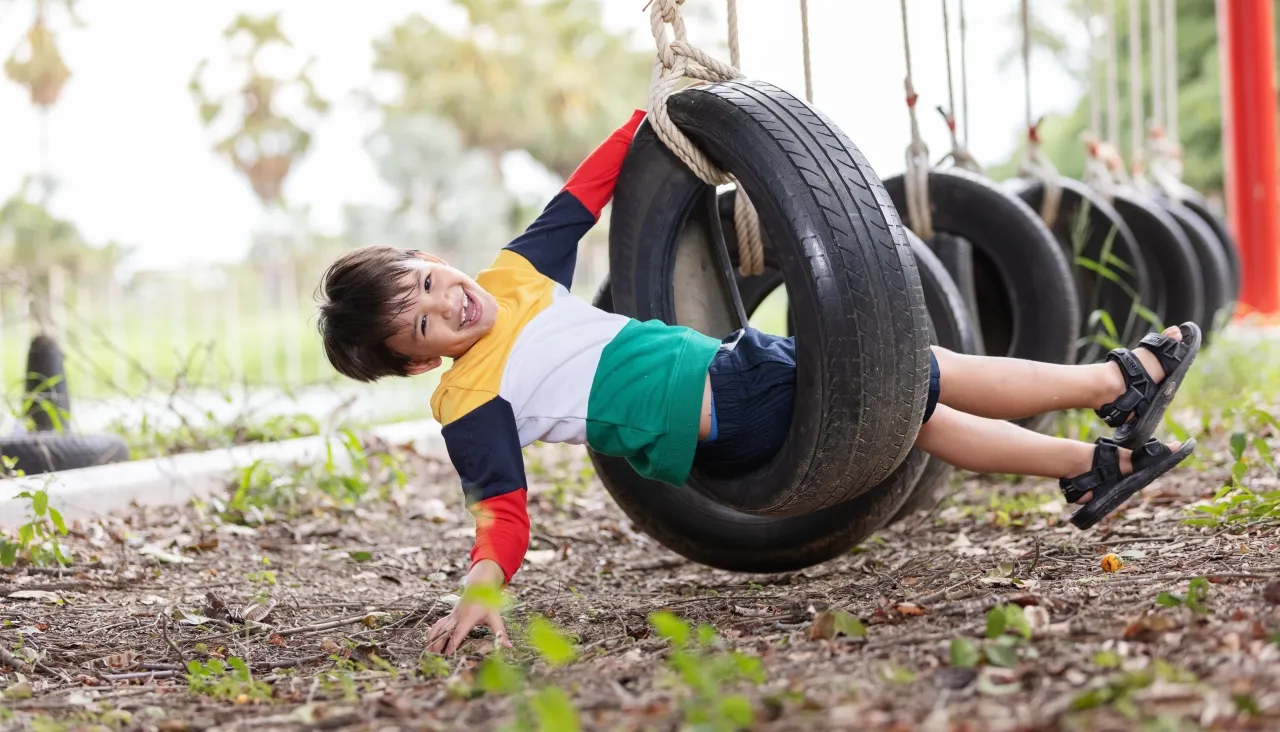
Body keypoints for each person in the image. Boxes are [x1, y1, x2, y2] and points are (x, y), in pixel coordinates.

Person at [315, 110, 1200, 656]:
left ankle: (1092, 458)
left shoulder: (512, 276)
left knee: (924, 394)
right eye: (423, 324)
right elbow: (501, 510)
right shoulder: (467, 400)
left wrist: (657, 115)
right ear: (421, 361)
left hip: (736, 368)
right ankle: (1106, 391)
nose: (447, 305)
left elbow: (581, 199)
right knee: (919, 379)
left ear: (431, 259)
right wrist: (480, 590)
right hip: (726, 412)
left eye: (429, 282)